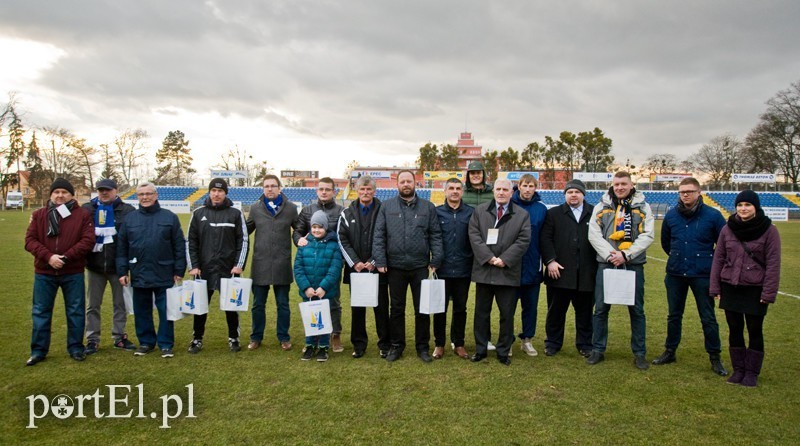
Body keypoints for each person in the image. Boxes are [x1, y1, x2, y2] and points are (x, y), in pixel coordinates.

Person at [654, 177, 728, 375]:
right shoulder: (671, 216)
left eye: (689, 191)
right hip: (676, 273)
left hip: (703, 275)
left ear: (699, 193)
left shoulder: (713, 215)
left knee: (708, 317)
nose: (685, 194)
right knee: (674, 315)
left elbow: (723, 245)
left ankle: (715, 356)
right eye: (682, 191)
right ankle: (670, 351)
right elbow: (666, 243)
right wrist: (679, 257)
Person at [710, 190, 780, 387]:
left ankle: (751, 373)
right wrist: (715, 286)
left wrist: (768, 292)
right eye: (740, 205)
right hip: (730, 285)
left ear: (755, 207)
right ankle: (738, 370)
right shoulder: (727, 229)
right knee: (734, 328)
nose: (743, 209)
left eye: (747, 205)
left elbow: (774, 264)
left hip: (755, 287)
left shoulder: (769, 230)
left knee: (754, 329)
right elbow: (719, 259)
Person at [373, 170, 443, 363]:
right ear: (398, 184)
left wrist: (436, 259)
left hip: (420, 266)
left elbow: (435, 235)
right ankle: (397, 346)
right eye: (402, 181)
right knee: (396, 309)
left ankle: (422, 347)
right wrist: (380, 260)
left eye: (409, 181)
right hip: (394, 267)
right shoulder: (387, 206)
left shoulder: (428, 207)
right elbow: (379, 235)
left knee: (422, 308)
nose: (406, 184)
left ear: (415, 183)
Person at [587, 171, 654, 370]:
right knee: (600, 309)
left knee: (636, 310)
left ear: (631, 185)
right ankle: (598, 349)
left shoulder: (642, 206)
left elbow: (648, 235)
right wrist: (611, 255)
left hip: (632, 264)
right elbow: (594, 234)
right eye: (616, 184)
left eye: (623, 184)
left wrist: (626, 255)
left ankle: (639, 353)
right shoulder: (602, 205)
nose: (619, 188)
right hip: (606, 263)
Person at [25, 178, 95, 366]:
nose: (60, 195)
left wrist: (65, 257)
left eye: (64, 192)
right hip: (44, 272)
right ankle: (38, 351)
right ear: (51, 195)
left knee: (75, 311)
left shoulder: (82, 215)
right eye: (56, 192)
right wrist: (49, 257)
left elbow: (88, 241)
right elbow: (30, 241)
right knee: (41, 311)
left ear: (72, 195)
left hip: (72, 271)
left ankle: (75, 347)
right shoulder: (39, 215)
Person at [117, 182, 186, 358]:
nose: (145, 197)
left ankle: (165, 344)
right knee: (142, 311)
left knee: (166, 311)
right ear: (137, 197)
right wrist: (122, 271)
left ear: (156, 195)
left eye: (148, 194)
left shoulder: (169, 217)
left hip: (164, 271)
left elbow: (179, 245)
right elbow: (122, 248)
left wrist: (179, 269)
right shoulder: (130, 219)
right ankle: (146, 342)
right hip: (139, 272)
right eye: (141, 194)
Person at [469, 178, 531, 366]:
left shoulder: (521, 214)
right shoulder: (480, 212)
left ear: (512, 192)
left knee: (506, 314)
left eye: (505, 189)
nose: (501, 192)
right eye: (498, 189)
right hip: (485, 271)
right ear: (493, 191)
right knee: (481, 313)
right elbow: (474, 235)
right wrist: (489, 257)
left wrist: (504, 259)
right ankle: (481, 349)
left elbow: (523, 240)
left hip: (507, 272)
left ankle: (503, 351)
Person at [186, 178, 249, 354]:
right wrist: (193, 265)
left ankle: (233, 338)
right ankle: (197, 339)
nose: (216, 193)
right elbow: (191, 241)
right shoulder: (198, 213)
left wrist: (238, 264)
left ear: (225, 193)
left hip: (228, 269)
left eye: (220, 191)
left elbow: (243, 240)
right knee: (200, 306)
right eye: (213, 190)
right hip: (203, 269)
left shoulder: (235, 213)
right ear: (209, 192)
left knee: (231, 306)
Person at [540, 179, 596, 358]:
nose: (573, 195)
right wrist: (550, 261)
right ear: (565, 194)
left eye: (577, 192)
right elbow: (545, 239)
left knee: (585, 313)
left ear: (583, 194)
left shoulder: (594, 213)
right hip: (559, 272)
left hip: (587, 273)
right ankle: (553, 343)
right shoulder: (554, 213)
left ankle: (585, 344)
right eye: (570, 192)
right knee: (556, 311)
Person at [337, 175, 391, 358]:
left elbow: (388, 237)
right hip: (357, 270)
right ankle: (359, 345)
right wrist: (356, 263)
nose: (365, 192)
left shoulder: (384, 210)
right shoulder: (346, 213)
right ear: (357, 191)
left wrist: (374, 261)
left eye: (369, 189)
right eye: (362, 189)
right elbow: (341, 239)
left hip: (378, 268)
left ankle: (385, 344)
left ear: (374, 191)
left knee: (381, 307)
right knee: (358, 309)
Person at [82, 178, 137, 355]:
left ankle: (119, 337)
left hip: (118, 267)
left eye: (107, 190)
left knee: (119, 304)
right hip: (94, 266)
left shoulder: (127, 210)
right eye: (100, 190)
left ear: (116, 190)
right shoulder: (87, 209)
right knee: (92, 305)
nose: (104, 193)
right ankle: (92, 339)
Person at [247, 175, 298, 352]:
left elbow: (298, 230)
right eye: (266, 186)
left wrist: (302, 241)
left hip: (281, 263)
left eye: (273, 186)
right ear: (263, 189)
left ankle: (284, 337)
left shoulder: (291, 208)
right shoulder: (255, 208)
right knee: (257, 304)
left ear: (280, 188)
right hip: (260, 263)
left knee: (283, 303)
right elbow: (245, 231)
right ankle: (256, 337)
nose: (270, 189)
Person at [293, 177, 345, 352]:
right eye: (321, 189)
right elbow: (298, 231)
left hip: (331, 260)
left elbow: (345, 235)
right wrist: (299, 240)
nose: (324, 192)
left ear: (334, 191)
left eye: (328, 189)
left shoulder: (340, 211)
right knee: (311, 301)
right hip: (311, 261)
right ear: (317, 191)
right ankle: (313, 335)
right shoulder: (308, 211)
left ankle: (335, 334)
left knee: (333, 300)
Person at [433, 178, 474, 359]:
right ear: (445, 191)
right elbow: (431, 239)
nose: (455, 191)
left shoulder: (471, 213)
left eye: (458, 188)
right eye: (451, 188)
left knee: (460, 308)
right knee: (440, 308)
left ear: (462, 191)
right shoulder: (437, 213)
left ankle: (459, 343)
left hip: (464, 269)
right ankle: (439, 344)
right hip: (442, 269)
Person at [510, 174, 548, 357]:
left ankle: (527, 340)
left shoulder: (541, 209)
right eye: (525, 185)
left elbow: (545, 238)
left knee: (530, 307)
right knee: (507, 306)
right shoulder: (509, 205)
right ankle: (506, 340)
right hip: (510, 267)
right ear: (519, 186)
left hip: (533, 266)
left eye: (531, 186)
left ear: (535, 187)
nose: (528, 189)